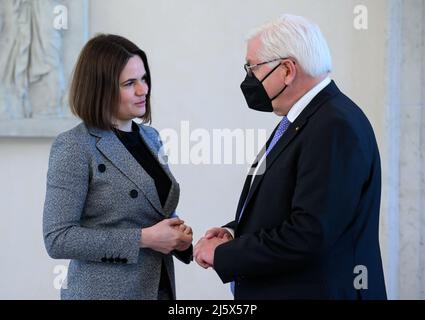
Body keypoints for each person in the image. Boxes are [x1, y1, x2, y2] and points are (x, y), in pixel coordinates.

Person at [194, 14, 387, 300]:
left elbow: (310, 234)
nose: (249, 78)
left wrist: (226, 254)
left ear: (287, 70)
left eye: (253, 68)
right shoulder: (308, 118)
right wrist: (235, 234)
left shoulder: (334, 125)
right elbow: (291, 209)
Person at [43, 34, 193, 300]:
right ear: (100, 89)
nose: (143, 90)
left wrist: (177, 235)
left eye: (144, 79)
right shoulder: (74, 146)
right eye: (129, 83)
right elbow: (58, 238)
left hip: (158, 288)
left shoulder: (151, 137)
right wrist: (143, 239)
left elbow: (153, 210)